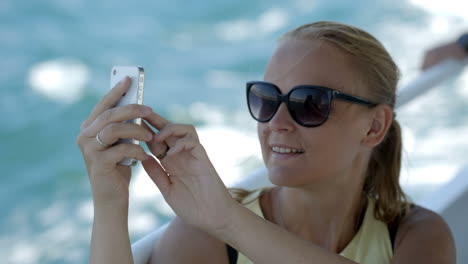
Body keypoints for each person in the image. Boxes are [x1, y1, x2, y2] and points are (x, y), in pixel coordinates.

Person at [77, 21, 456, 264]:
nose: (277, 122)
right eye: (267, 99)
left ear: (374, 127)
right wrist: (110, 204)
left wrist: (228, 220)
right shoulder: (205, 236)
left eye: (310, 104)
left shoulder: (418, 235)